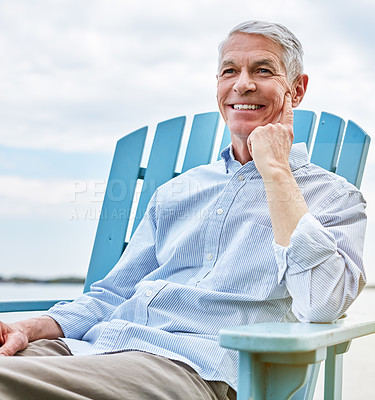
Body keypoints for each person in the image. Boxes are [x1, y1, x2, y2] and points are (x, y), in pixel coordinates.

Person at [0, 21, 367, 400]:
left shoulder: (333, 198)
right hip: (89, 348)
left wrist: (275, 170)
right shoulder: (177, 192)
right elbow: (112, 294)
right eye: (229, 71)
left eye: (262, 70)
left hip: (186, 368)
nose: (242, 84)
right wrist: (33, 326)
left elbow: (323, 304)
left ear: (297, 90)